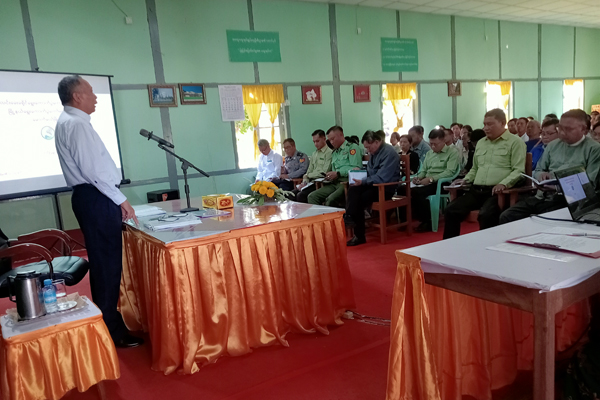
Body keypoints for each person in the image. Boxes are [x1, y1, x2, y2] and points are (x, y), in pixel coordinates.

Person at [54, 75, 142, 348]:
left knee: (105, 263)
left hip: (92, 197)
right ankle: (110, 330)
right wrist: (122, 200)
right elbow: (94, 172)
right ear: (77, 96)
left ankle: (108, 323)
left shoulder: (69, 121)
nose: (95, 97)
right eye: (91, 92)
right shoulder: (77, 124)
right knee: (107, 265)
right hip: (97, 197)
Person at [499, 110, 600, 224]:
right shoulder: (553, 145)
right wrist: (541, 175)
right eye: (560, 128)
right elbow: (539, 169)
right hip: (541, 196)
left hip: (569, 201)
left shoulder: (594, 149)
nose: (562, 132)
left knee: (542, 221)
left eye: (568, 129)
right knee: (507, 216)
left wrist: (557, 188)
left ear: (584, 130)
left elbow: (589, 183)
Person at [443, 109, 526, 239]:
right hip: (476, 190)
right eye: (484, 124)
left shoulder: (515, 142)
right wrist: (466, 180)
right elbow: (475, 168)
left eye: (490, 124)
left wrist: (504, 184)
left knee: (486, 215)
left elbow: (518, 170)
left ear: (502, 123)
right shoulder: (481, 143)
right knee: (450, 210)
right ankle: (449, 245)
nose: (486, 128)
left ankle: (486, 246)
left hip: (497, 193)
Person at [345, 130, 400, 246]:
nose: (368, 150)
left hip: (385, 188)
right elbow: (370, 172)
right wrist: (359, 172)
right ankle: (349, 216)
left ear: (376, 142)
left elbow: (382, 178)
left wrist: (363, 181)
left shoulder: (389, 153)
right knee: (353, 189)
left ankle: (358, 234)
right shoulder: (374, 153)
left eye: (368, 147)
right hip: (373, 185)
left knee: (360, 199)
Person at [409, 129, 460, 232]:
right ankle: (407, 220)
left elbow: (450, 172)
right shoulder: (429, 153)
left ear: (443, 140)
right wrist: (418, 178)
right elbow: (424, 170)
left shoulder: (452, 152)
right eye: (431, 143)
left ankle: (427, 221)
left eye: (435, 144)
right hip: (427, 181)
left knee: (417, 192)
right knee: (404, 190)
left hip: (442, 182)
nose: (432, 146)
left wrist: (432, 179)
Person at [308, 126, 362, 207]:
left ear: (341, 135)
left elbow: (356, 169)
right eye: (329, 140)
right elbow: (334, 171)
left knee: (330, 200)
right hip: (334, 183)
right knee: (312, 196)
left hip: (347, 183)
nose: (331, 142)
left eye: (333, 139)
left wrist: (338, 173)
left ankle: (334, 215)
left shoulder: (352, 148)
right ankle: (321, 215)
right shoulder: (334, 152)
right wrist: (329, 176)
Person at [295, 130, 332, 203]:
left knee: (301, 196)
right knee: (291, 193)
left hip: (321, 184)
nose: (315, 144)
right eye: (314, 142)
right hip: (310, 182)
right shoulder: (314, 154)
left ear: (324, 139)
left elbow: (324, 172)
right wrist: (304, 183)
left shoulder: (329, 153)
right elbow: (309, 170)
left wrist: (308, 175)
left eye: (317, 141)